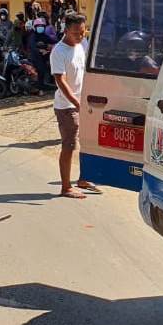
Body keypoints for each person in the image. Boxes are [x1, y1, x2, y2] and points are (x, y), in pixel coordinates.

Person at [51, 12, 99, 199]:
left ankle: (83, 178)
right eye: (76, 33)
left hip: (83, 102)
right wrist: (75, 103)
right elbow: (60, 81)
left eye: (82, 32)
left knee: (87, 143)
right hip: (66, 106)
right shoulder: (59, 51)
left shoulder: (82, 44)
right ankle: (65, 187)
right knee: (69, 145)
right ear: (66, 30)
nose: (80, 36)